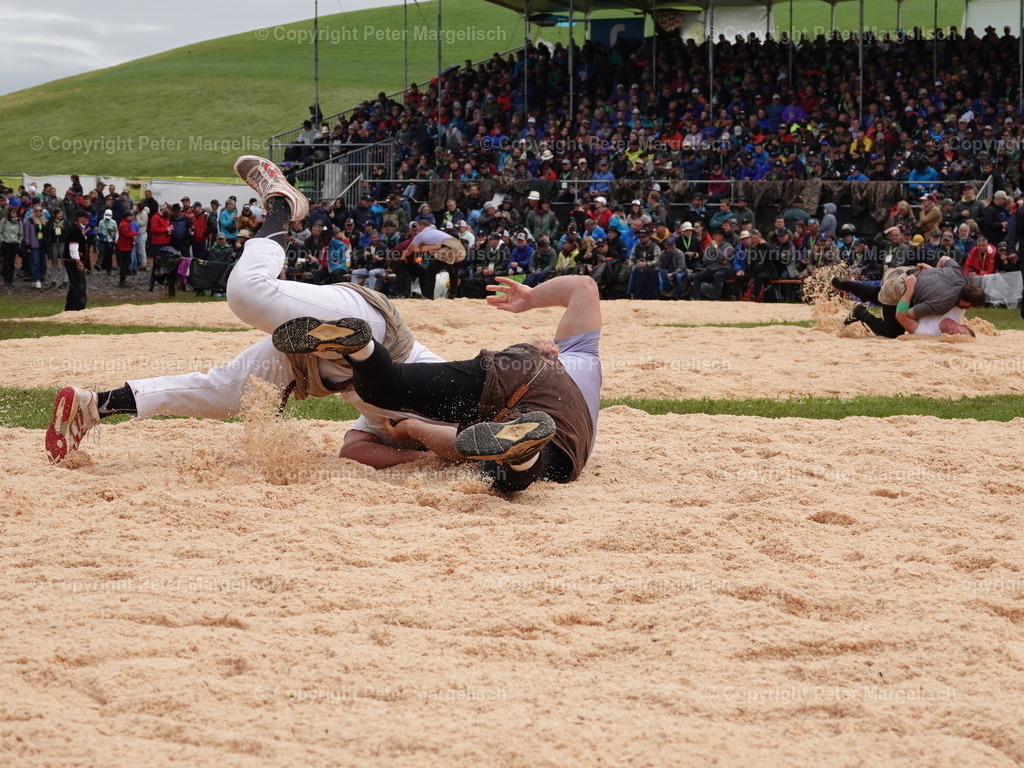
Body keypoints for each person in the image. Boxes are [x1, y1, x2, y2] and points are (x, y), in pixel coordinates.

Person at [45, 155, 445, 468]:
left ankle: (95, 404)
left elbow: (355, 451)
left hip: (327, 364)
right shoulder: (458, 402)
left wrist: (421, 456)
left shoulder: (382, 426)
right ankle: (281, 205)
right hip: (378, 335)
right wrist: (430, 438)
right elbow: (477, 420)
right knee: (247, 293)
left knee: (227, 395)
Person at [270, 273, 601, 493]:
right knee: (504, 468)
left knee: (386, 386)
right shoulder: (578, 352)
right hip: (562, 419)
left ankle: (363, 348)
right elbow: (583, 287)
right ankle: (520, 458)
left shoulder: (584, 353)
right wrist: (416, 434)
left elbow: (584, 288)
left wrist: (531, 298)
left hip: (516, 368)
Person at [836, 256, 986, 338]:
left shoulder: (957, 274)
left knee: (878, 295)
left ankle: (843, 284)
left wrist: (935, 273)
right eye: (972, 306)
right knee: (893, 333)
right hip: (899, 287)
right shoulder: (942, 305)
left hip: (908, 271)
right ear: (966, 302)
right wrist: (910, 290)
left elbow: (944, 258)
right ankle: (860, 312)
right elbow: (904, 315)